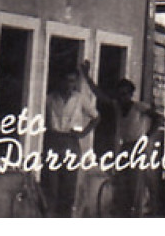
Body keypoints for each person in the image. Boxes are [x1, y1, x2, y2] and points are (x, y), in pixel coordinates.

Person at [43, 61, 99, 217]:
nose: (70, 85)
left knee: (68, 188)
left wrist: (82, 134)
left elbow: (96, 117)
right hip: (53, 141)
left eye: (73, 81)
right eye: (67, 81)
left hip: (70, 141)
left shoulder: (79, 98)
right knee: (51, 187)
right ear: (60, 81)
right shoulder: (49, 98)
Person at [100, 78, 153, 216]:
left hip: (138, 148)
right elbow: (101, 97)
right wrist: (87, 78)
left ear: (131, 94)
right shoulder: (118, 107)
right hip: (125, 147)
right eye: (120, 94)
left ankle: (136, 216)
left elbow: (159, 118)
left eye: (125, 94)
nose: (123, 97)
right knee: (122, 185)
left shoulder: (139, 107)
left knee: (136, 186)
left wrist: (147, 136)